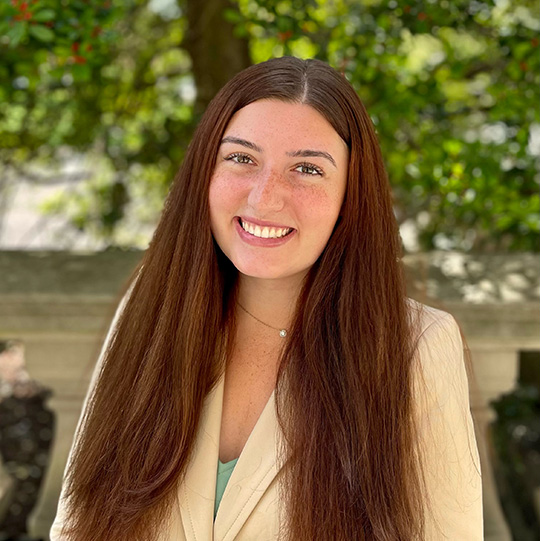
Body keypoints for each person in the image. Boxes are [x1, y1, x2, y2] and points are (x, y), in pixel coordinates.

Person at [50, 56, 482, 540]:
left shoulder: (416, 348)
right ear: (204, 173)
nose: (264, 198)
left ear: (351, 196)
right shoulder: (151, 310)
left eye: (307, 168)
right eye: (241, 158)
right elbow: (77, 524)